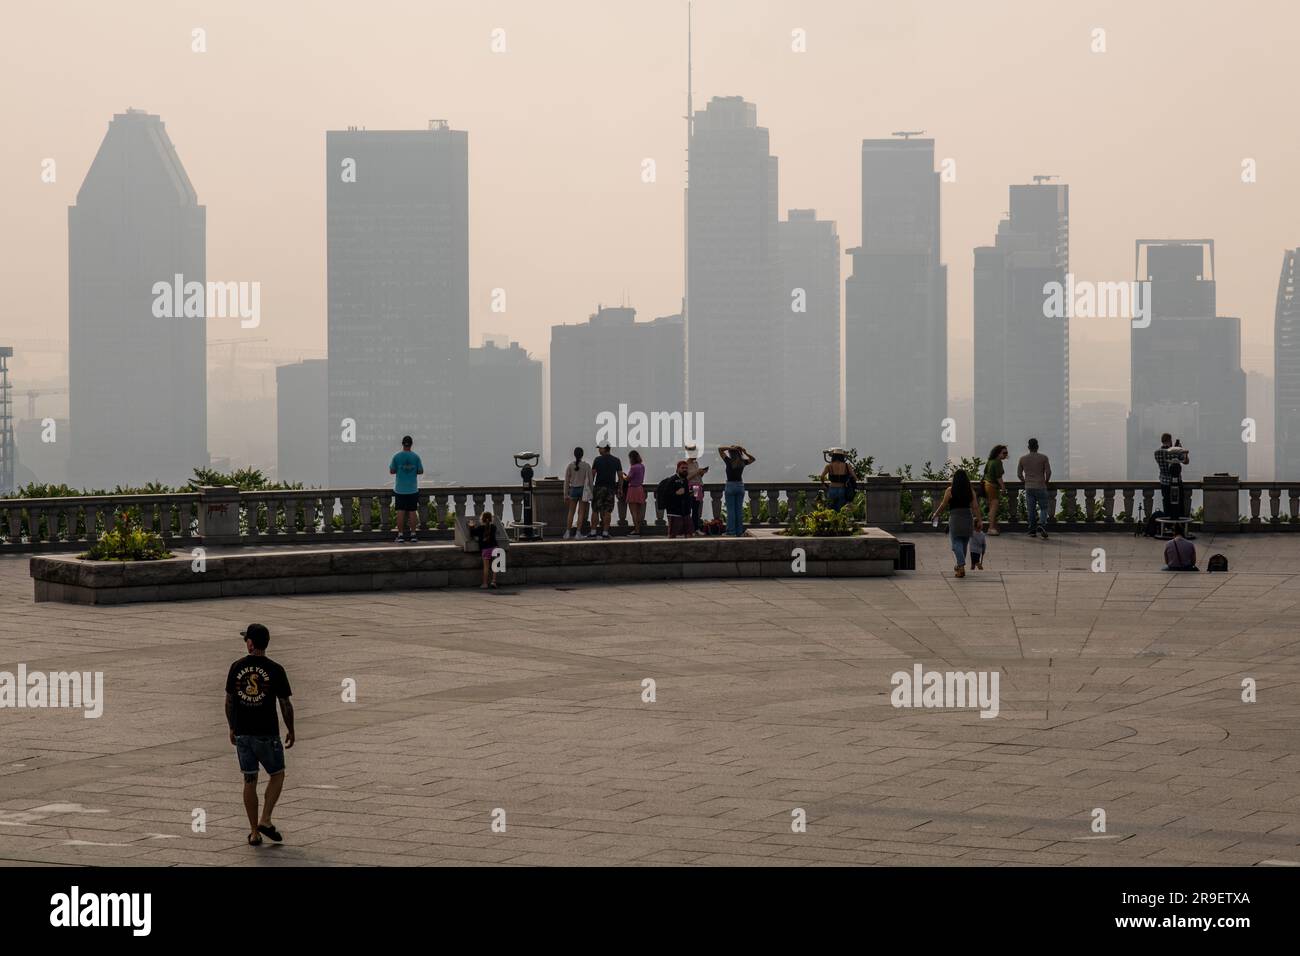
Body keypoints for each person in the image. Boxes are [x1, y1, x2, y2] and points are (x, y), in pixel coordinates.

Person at [225, 623, 295, 847]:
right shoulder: (276, 669)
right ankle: (266, 819)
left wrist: (232, 727)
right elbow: (285, 703)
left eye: (246, 639)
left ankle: (254, 832)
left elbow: (229, 701)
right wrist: (291, 729)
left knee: (249, 780)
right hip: (267, 734)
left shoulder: (236, 666)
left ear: (251, 643)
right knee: (277, 774)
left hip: (243, 734)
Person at [934, 471, 983, 578]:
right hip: (967, 517)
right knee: (964, 544)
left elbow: (943, 505)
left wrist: (935, 514)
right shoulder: (970, 491)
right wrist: (979, 520)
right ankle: (959, 565)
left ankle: (961, 566)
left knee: (956, 543)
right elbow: (975, 507)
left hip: (955, 517)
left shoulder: (950, 490)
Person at [388, 435, 424, 543]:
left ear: (402, 444)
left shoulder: (396, 456)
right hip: (412, 489)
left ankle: (400, 535)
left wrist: (401, 469)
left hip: (400, 489)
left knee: (400, 512)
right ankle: (413, 535)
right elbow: (421, 471)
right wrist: (412, 470)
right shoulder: (416, 457)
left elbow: (392, 471)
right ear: (411, 444)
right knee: (412, 512)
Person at [1017, 438, 1052, 539]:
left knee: (1031, 509)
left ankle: (1032, 530)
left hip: (1029, 487)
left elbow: (1019, 474)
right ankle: (1041, 524)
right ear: (1037, 447)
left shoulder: (1023, 459)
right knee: (1044, 508)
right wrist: (1046, 481)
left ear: (1028, 447)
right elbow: (1048, 472)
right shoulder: (1043, 458)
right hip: (1041, 485)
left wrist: (1025, 481)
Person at [719, 444, 755, 537]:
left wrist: (730, 448)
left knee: (731, 511)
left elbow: (720, 449)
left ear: (731, 453)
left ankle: (731, 532)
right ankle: (739, 532)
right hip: (740, 486)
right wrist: (745, 452)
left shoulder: (728, 461)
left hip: (730, 486)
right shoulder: (742, 462)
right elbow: (753, 459)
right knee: (739, 510)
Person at [589, 443, 624, 539]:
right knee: (608, 511)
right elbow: (620, 476)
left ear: (604, 448)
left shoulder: (597, 460)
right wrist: (620, 488)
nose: (599, 450)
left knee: (595, 510)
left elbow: (592, 476)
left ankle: (593, 532)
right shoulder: (616, 460)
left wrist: (590, 489)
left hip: (599, 488)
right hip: (610, 489)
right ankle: (605, 533)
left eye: (599, 448)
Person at [1155, 433, 1190, 517]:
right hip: (1176, 483)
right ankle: (1178, 525)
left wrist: (1174, 449)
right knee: (1178, 504)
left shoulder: (1157, 453)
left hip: (1164, 483)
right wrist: (1180, 449)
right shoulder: (1176, 452)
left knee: (1167, 503)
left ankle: (1167, 525)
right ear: (1170, 440)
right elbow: (1186, 461)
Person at [563, 447, 592, 539]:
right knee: (581, 512)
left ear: (574, 454)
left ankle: (567, 532)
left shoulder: (570, 466)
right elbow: (590, 480)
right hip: (583, 490)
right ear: (582, 455)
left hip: (573, 490)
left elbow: (566, 481)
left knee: (571, 512)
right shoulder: (586, 466)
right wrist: (591, 492)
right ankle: (578, 533)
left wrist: (565, 494)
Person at [661, 460, 693, 538]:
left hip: (685, 512)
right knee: (672, 534)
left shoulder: (685, 480)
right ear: (678, 469)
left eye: (686, 468)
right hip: (674, 512)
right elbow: (665, 494)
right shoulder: (672, 480)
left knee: (689, 534)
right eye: (682, 468)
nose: (685, 469)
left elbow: (684, 494)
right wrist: (675, 493)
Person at [469, 511, 500, 589]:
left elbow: (472, 533)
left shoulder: (479, 528)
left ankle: (485, 584)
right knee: (495, 566)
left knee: (486, 567)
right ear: (491, 519)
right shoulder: (494, 527)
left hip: (485, 549)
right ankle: (493, 582)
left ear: (481, 519)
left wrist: (471, 526)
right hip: (495, 547)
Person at [982, 445, 1009, 535]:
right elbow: (999, 477)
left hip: (986, 485)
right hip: (992, 486)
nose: (1006, 454)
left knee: (991, 507)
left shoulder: (990, 461)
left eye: (1006, 453)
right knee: (994, 507)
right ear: (998, 453)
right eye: (1004, 453)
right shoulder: (997, 462)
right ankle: (991, 528)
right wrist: (1003, 488)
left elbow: (985, 473)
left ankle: (994, 526)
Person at [684, 446, 709, 536]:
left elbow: (697, 477)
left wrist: (701, 473)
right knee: (689, 508)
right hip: (691, 487)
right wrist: (697, 472)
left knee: (696, 509)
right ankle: (689, 529)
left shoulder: (696, 463)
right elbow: (686, 478)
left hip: (698, 487)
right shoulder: (685, 465)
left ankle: (696, 528)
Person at [624, 450, 647, 535]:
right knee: (638, 512)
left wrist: (623, 475)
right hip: (640, 489)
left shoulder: (633, 467)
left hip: (633, 489)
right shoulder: (642, 466)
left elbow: (628, 479)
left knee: (633, 512)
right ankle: (638, 529)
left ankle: (636, 530)